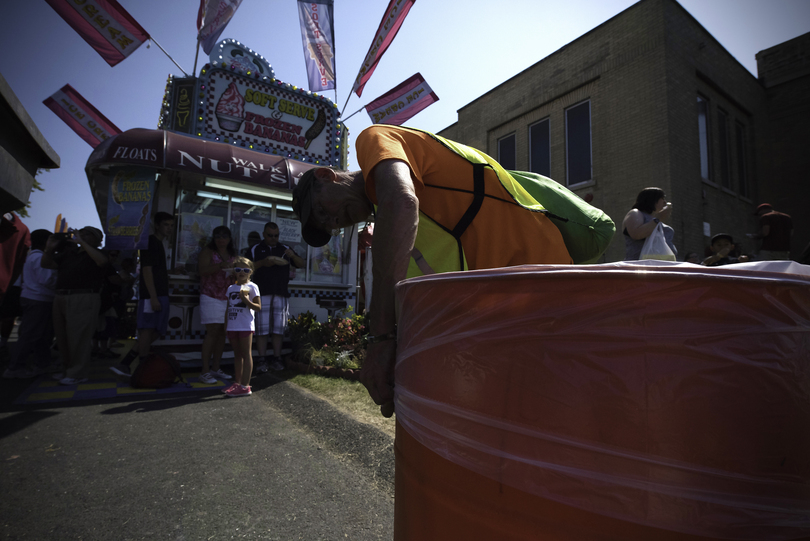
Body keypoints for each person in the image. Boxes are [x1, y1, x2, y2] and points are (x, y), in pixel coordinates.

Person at [292, 124, 572, 414]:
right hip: (515, 311)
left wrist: (380, 338)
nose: (334, 222)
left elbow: (401, 200)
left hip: (544, 285)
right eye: (328, 226)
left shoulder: (374, 139)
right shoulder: (403, 233)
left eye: (323, 212)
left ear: (326, 175)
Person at [41, 226, 109, 385]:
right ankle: (67, 370)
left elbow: (102, 261)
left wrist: (83, 243)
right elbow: (46, 264)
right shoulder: (69, 254)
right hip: (61, 296)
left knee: (79, 337)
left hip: (84, 297)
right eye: (82, 232)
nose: (83, 235)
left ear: (98, 240)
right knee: (62, 337)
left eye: (88, 234)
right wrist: (49, 249)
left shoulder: (99, 253)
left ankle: (78, 373)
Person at [111, 212, 175, 377]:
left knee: (156, 330)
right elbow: (146, 270)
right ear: (157, 225)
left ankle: (126, 364)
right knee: (147, 330)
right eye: (166, 225)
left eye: (171, 225)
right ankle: (141, 369)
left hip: (158, 293)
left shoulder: (159, 244)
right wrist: (152, 296)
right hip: (152, 295)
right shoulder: (151, 242)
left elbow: (155, 269)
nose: (169, 228)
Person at [247, 222, 304, 373]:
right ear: (264, 234)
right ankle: (261, 359)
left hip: (280, 293)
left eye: (276, 236)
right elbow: (246, 267)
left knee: (278, 329)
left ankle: (277, 358)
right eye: (270, 235)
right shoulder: (255, 248)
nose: (273, 238)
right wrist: (262, 263)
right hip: (261, 294)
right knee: (262, 330)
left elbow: (301, 264)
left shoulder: (284, 248)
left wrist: (293, 256)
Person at [2, 229, 57, 378]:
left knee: (41, 335)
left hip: (33, 297)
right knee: (30, 335)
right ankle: (14, 368)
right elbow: (47, 280)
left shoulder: (31, 256)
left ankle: (43, 364)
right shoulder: (40, 258)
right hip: (39, 299)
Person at [197, 225, 236, 384]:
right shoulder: (208, 252)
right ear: (214, 238)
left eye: (224, 237)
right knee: (212, 332)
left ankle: (215, 368)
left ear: (229, 239)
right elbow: (202, 270)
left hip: (226, 297)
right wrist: (219, 266)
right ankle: (204, 370)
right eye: (218, 236)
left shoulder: (232, 254)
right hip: (210, 295)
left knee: (222, 333)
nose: (221, 239)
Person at [222, 256, 261, 397]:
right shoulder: (231, 288)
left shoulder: (252, 286)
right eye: (238, 269)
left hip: (245, 326)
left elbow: (258, 307)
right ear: (234, 271)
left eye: (245, 270)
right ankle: (237, 383)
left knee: (246, 354)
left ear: (251, 272)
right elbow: (228, 308)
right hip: (233, 326)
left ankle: (245, 386)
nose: (241, 272)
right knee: (237, 355)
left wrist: (245, 299)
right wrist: (226, 325)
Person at [622, 187, 676, 260]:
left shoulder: (657, 221)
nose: (665, 202)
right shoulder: (636, 213)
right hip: (640, 267)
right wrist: (658, 219)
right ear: (652, 199)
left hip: (663, 268)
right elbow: (636, 234)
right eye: (662, 198)